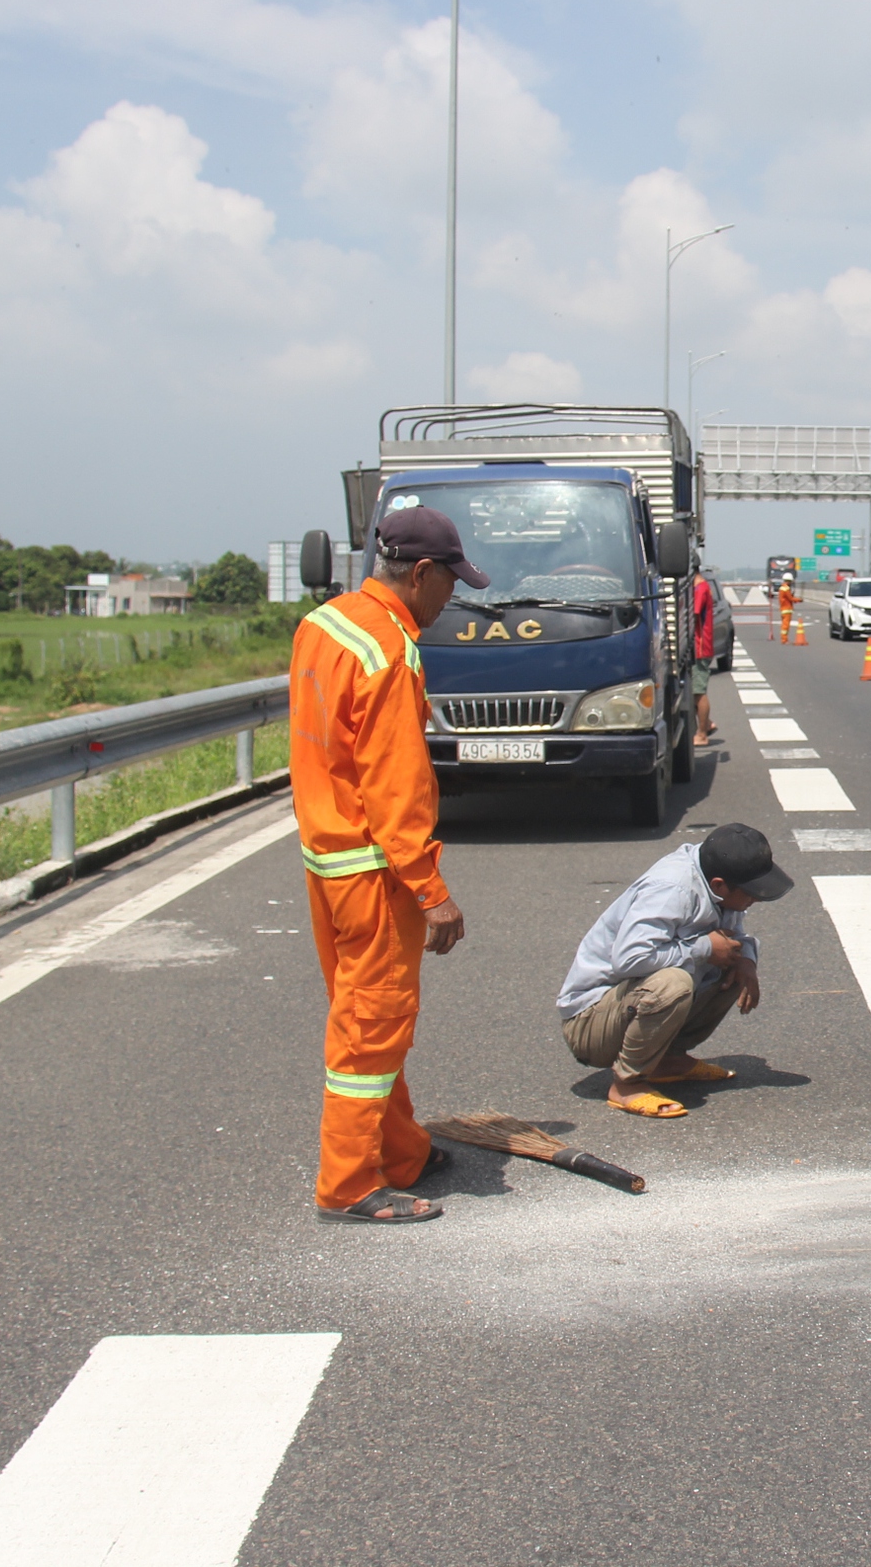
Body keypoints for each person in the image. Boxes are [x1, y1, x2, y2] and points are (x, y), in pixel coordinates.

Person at [292, 506, 484, 1223]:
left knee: (365, 1015)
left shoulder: (325, 623)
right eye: (450, 582)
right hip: (375, 870)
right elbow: (395, 786)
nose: (452, 598)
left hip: (328, 857)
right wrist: (431, 891)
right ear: (422, 573)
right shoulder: (389, 651)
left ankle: (400, 1152)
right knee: (371, 1026)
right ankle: (348, 1184)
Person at [557, 824, 796, 1117]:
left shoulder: (714, 877)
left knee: (732, 960)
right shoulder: (671, 889)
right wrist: (703, 948)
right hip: (590, 1024)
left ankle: (666, 1060)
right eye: (750, 893)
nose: (755, 900)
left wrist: (747, 959)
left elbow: (731, 937)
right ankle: (627, 1084)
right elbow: (629, 959)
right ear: (719, 885)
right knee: (674, 983)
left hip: (627, 1004)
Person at [691, 569, 720, 747]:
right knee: (693, 691)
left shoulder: (700, 589)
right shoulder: (702, 587)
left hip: (700, 647)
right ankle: (707, 724)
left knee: (698, 692)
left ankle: (702, 734)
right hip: (699, 646)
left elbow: (692, 615)